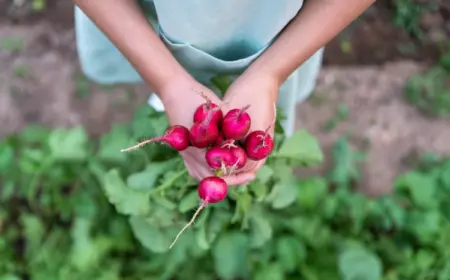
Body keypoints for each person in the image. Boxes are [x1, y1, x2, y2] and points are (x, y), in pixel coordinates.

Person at [73, 0, 375, 186]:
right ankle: (170, 88)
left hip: (272, 21)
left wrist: (269, 74)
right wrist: (168, 82)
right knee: (167, 66)